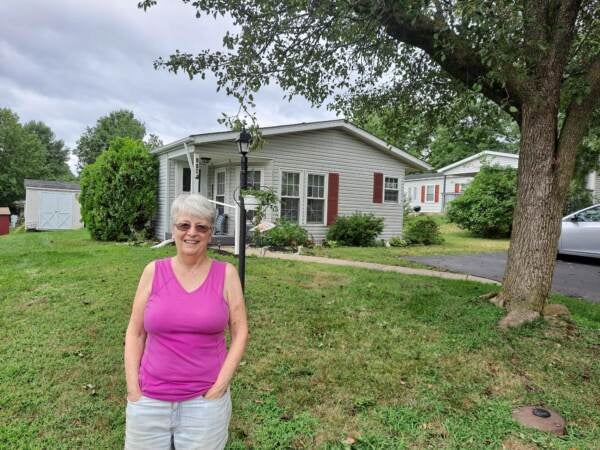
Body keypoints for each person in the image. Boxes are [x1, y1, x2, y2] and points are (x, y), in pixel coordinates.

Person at [124, 193, 248, 449]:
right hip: (149, 401)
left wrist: (219, 387)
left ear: (211, 233)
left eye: (201, 227)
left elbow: (240, 332)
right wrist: (133, 390)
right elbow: (135, 333)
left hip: (204, 403)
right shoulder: (153, 271)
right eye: (184, 225)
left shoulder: (226, 274)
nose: (192, 233)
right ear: (173, 229)